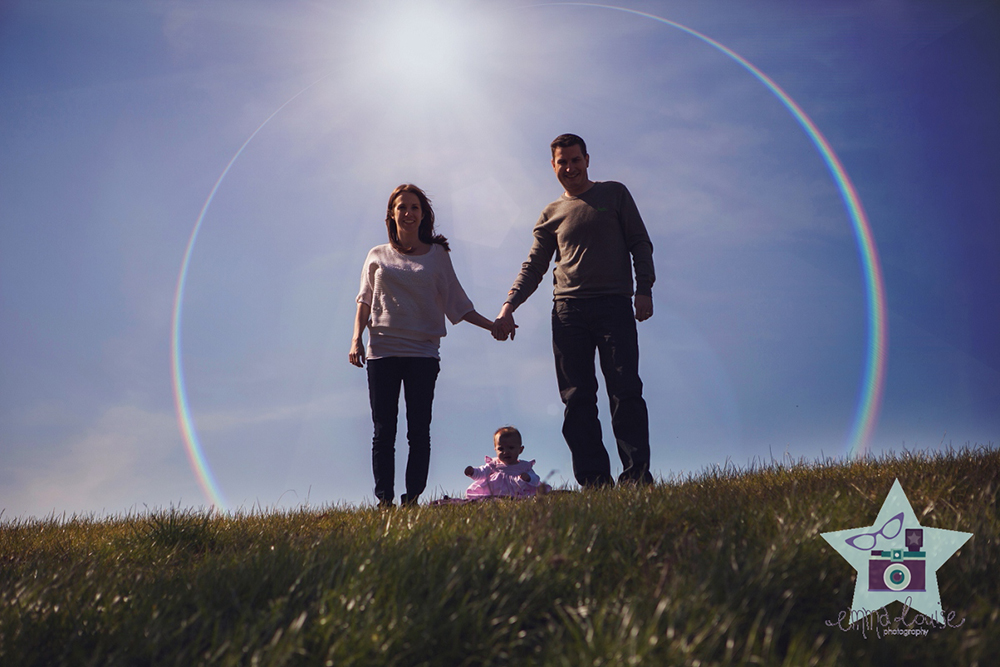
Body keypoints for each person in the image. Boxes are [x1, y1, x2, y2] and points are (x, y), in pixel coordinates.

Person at [493, 134, 655, 488]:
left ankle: (637, 478)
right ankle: (595, 481)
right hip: (568, 311)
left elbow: (639, 242)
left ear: (587, 160)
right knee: (577, 399)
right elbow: (534, 265)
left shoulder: (614, 194)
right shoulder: (551, 213)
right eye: (562, 162)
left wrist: (644, 288)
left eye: (575, 160)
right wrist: (509, 306)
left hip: (614, 304)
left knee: (625, 390)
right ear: (553, 167)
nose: (569, 168)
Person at [350, 184, 495, 508]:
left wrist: (493, 326)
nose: (408, 213)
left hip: (422, 355)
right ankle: (384, 501)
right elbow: (364, 300)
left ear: (423, 214)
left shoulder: (437, 256)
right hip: (382, 352)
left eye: (414, 207)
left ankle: (412, 497)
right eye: (402, 207)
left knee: (419, 430)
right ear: (392, 214)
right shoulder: (376, 255)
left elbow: (457, 303)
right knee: (383, 430)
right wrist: (355, 339)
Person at [464, 426, 549, 499]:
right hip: (495, 493)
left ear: (520, 450)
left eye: (511, 448)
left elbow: (535, 479)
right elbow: (482, 472)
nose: (506, 452)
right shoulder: (493, 465)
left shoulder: (524, 466)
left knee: (533, 494)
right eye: (501, 449)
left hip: (518, 492)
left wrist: (528, 478)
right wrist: (473, 472)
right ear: (495, 450)